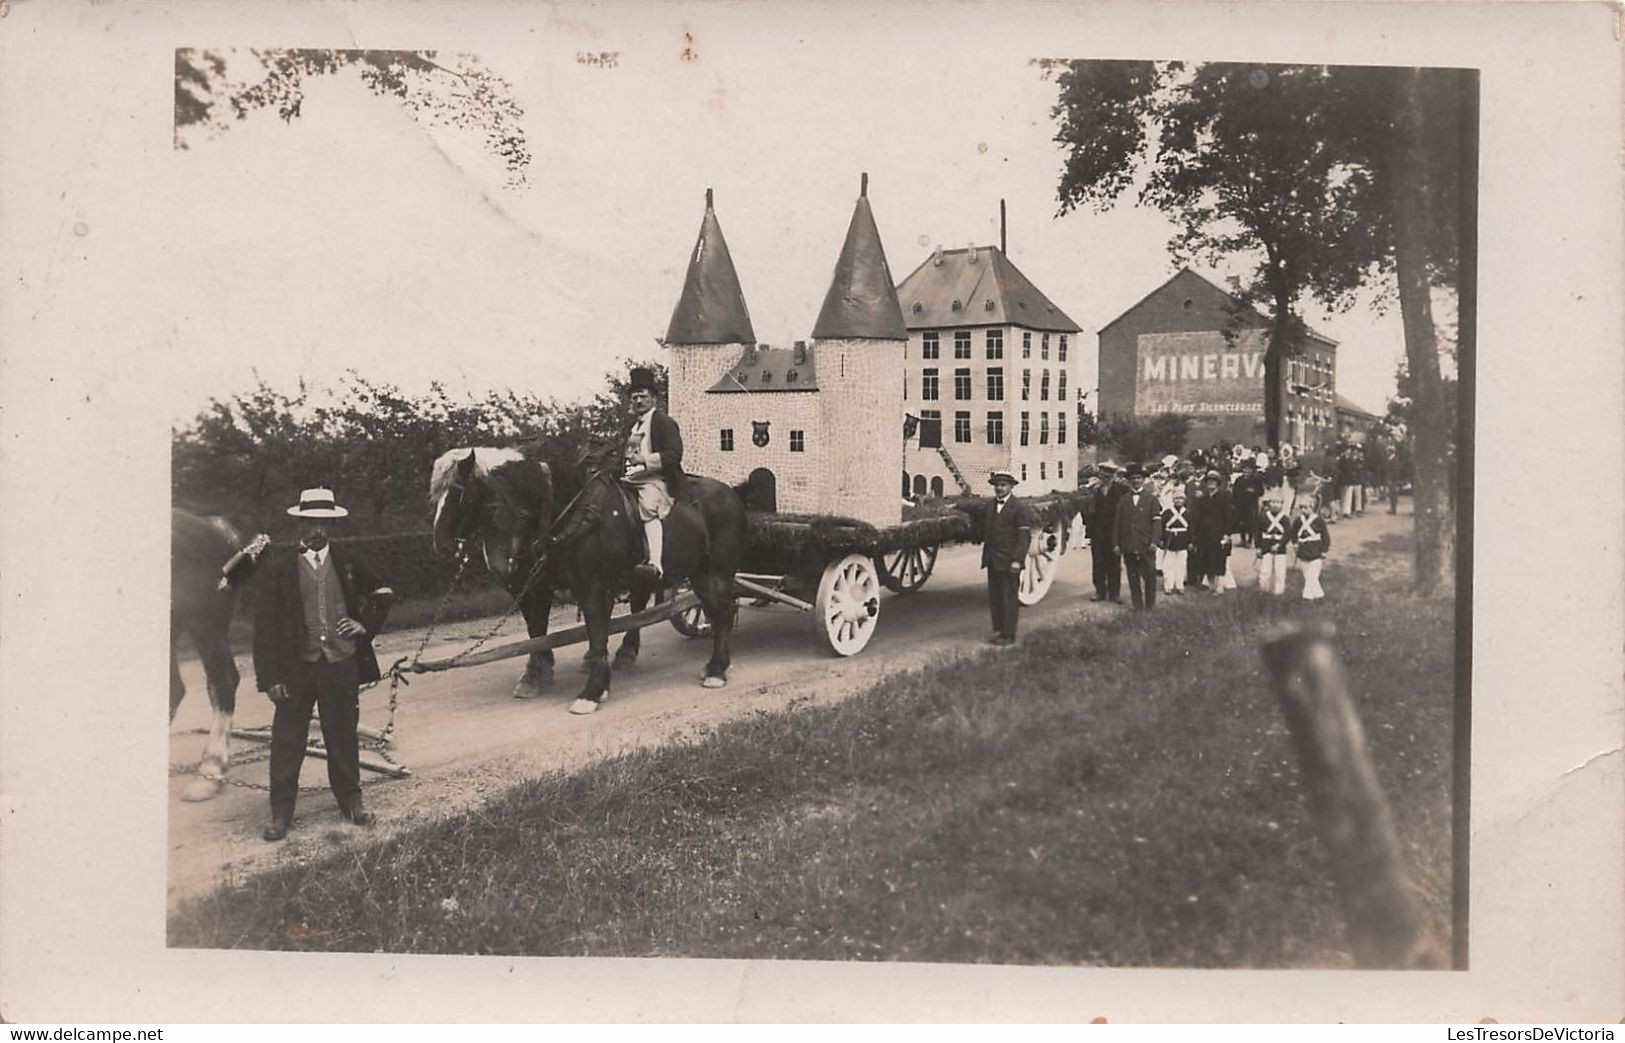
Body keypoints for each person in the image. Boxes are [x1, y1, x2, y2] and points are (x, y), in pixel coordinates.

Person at [253, 487, 394, 842]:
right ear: (299, 522)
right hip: (296, 669)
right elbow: (265, 629)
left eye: (323, 521)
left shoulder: (347, 562)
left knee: (342, 734)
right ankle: (281, 812)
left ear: (331, 524)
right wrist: (271, 677)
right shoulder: (279, 569)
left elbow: (382, 593)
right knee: (288, 740)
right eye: (310, 520)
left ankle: (351, 802)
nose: (316, 528)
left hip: (340, 662)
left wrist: (365, 626)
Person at [621, 366, 685, 582]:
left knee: (648, 506)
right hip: (632, 478)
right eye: (634, 397)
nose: (638, 401)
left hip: (657, 478)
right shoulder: (633, 426)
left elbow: (674, 454)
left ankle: (655, 564)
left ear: (654, 398)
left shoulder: (663, 422)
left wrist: (645, 460)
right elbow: (628, 457)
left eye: (643, 396)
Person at [981, 471, 1035, 646]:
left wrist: (1017, 560)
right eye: (997, 485)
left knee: (1009, 597)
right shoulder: (990, 506)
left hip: (1009, 560)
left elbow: (1024, 537)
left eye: (1003, 485)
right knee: (995, 596)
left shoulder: (1019, 508)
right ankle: (999, 630)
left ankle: (1009, 633)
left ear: (1011, 487)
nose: (999, 488)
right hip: (992, 558)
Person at [1113, 462, 1162, 610]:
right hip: (1128, 544)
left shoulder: (1151, 499)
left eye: (1139, 478)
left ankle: (1150, 606)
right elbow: (1117, 523)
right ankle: (1137, 606)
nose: (1136, 481)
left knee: (1149, 577)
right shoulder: (1123, 500)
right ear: (1129, 480)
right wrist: (1116, 543)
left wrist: (1154, 541)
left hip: (1146, 544)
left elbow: (1157, 523)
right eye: (1133, 478)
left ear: (1144, 479)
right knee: (1132, 577)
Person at [1086, 461, 1125, 603]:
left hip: (1114, 533)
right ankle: (1099, 591)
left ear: (1113, 475)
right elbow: (1090, 512)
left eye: (1108, 474)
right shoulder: (1095, 490)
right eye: (1102, 474)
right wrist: (1089, 533)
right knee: (1098, 563)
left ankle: (1115, 593)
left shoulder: (1121, 489)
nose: (1105, 477)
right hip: (1098, 533)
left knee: (1114, 563)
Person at [1192, 470, 1231, 594]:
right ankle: (1211, 586)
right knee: (1206, 560)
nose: (1211, 484)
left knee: (1218, 560)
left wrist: (1227, 534)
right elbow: (1197, 518)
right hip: (1205, 534)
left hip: (1219, 533)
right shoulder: (1202, 499)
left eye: (1214, 482)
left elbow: (1229, 517)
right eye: (1209, 482)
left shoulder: (1224, 497)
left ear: (1218, 483)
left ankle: (1219, 587)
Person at [1292, 495, 1332, 601]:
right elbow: (1293, 533)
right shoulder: (1298, 521)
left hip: (1316, 551)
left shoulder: (1319, 520)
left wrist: (1324, 550)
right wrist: (1295, 543)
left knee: (1312, 576)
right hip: (1303, 552)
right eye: (1302, 508)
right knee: (1308, 576)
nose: (1304, 510)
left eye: (1306, 507)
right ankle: (1319, 596)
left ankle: (1307, 598)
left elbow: (1325, 536)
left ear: (1312, 507)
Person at [1253, 488, 1292, 595]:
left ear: (1282, 504)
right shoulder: (1263, 517)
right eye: (1273, 502)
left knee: (1280, 571)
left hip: (1280, 549)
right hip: (1266, 547)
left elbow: (1288, 534)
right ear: (1269, 503)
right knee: (1265, 570)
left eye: (1278, 502)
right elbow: (1258, 533)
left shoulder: (1285, 518)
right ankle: (1264, 589)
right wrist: (1258, 547)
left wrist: (1280, 544)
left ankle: (1278, 592)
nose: (1275, 505)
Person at [1158, 489, 1191, 596]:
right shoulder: (1167, 513)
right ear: (1173, 500)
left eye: (1181, 498)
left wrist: (1191, 542)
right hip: (1170, 541)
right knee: (1168, 565)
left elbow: (1192, 529)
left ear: (1184, 500)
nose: (1178, 501)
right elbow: (1161, 527)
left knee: (1181, 564)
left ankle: (1180, 585)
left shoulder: (1188, 513)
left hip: (1182, 541)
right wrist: (1161, 540)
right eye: (1176, 498)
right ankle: (1168, 586)